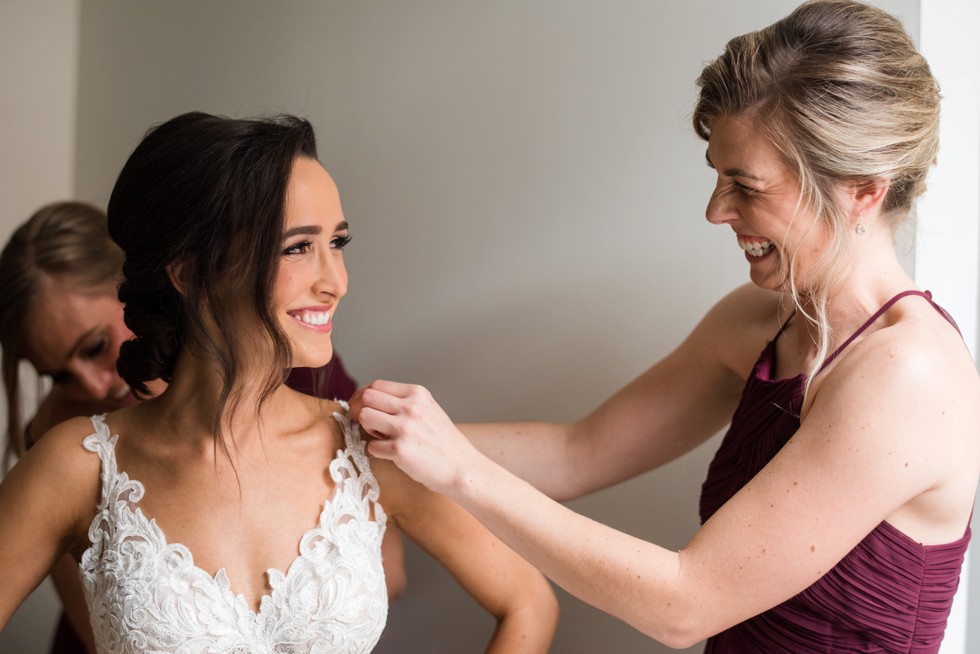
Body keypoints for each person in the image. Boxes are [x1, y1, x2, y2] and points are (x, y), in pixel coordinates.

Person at [350, 1, 980, 650]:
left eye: (746, 185)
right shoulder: (757, 320)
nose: (716, 211)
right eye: (716, 178)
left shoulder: (911, 378)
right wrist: (360, 436)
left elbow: (685, 605)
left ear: (861, 190)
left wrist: (459, 472)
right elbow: (579, 452)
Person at [0, 112, 557, 652]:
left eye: (337, 243)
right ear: (190, 272)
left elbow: (527, 602)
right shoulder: (74, 466)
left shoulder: (368, 447)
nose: (335, 282)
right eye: (297, 248)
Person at [0, 202, 406, 654]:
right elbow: (99, 636)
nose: (93, 383)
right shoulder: (67, 440)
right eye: (59, 375)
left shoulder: (292, 358)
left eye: (95, 346)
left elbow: (391, 569)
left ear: (139, 283)